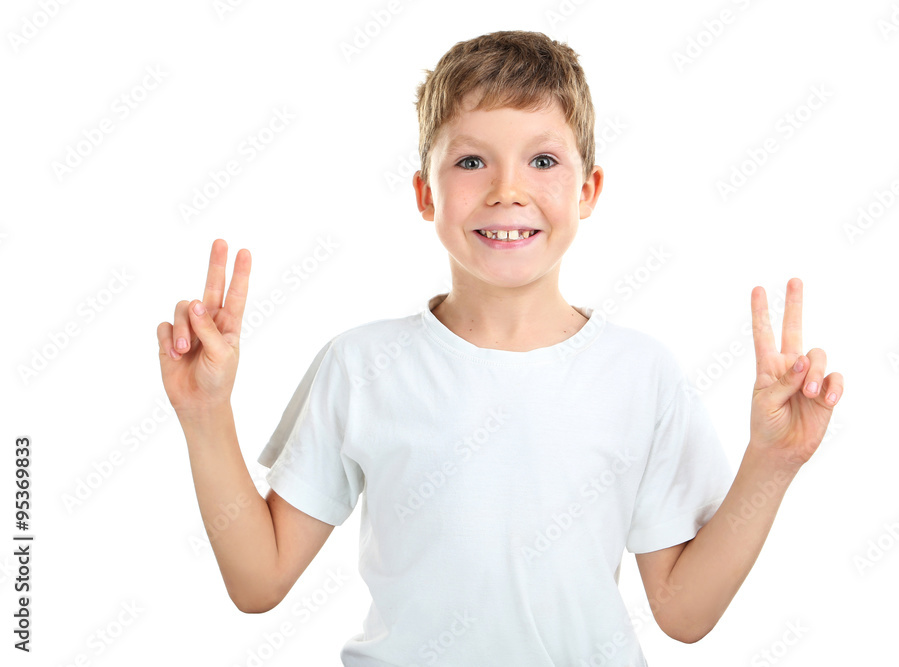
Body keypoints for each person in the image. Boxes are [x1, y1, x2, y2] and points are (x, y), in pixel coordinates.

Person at [156, 29, 844, 666]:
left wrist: (772, 461)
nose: (507, 188)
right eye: (471, 160)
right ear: (427, 194)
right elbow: (258, 580)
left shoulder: (641, 374)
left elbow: (684, 612)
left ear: (588, 190)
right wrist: (205, 413)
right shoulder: (362, 367)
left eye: (542, 159)